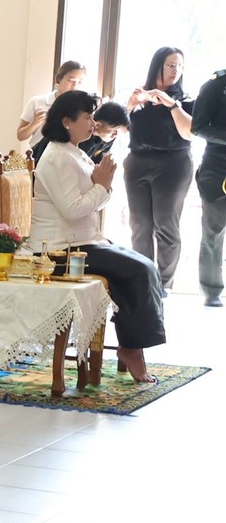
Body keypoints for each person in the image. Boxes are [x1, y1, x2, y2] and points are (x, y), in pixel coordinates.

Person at [31, 90, 167, 381]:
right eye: (87, 117)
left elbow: (96, 200)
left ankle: (132, 345)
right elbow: (72, 210)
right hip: (59, 250)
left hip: (82, 242)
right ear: (66, 121)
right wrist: (100, 186)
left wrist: (102, 186)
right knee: (139, 269)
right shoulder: (56, 157)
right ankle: (130, 347)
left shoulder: (75, 152)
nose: (93, 123)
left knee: (141, 265)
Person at [124, 46, 196, 283]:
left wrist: (171, 104)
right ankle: (143, 279)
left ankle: (164, 282)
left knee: (165, 223)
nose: (176, 70)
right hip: (137, 162)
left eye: (180, 66)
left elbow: (189, 133)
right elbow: (119, 128)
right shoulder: (141, 97)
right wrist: (131, 104)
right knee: (140, 225)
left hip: (173, 164)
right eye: (171, 65)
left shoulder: (185, 101)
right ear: (158, 66)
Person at [194, 65, 226, 307]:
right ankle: (212, 290)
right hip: (218, 169)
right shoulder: (215, 85)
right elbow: (198, 126)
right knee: (213, 232)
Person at [19, 61, 87, 143]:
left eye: (80, 82)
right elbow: (20, 136)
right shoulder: (38, 102)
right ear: (58, 79)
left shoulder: (82, 108)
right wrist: (34, 123)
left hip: (68, 154)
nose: (75, 85)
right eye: (70, 80)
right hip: (39, 153)